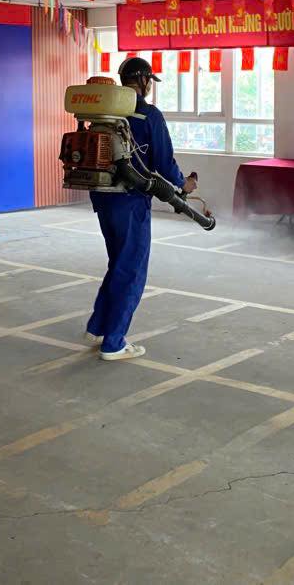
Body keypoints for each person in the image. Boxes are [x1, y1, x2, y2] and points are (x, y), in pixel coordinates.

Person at [86, 57, 196, 362]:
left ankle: (98, 327)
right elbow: (163, 162)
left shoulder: (107, 112)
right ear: (144, 80)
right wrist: (182, 184)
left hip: (102, 197)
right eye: (150, 81)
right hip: (130, 200)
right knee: (131, 269)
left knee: (117, 263)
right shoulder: (148, 114)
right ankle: (114, 343)